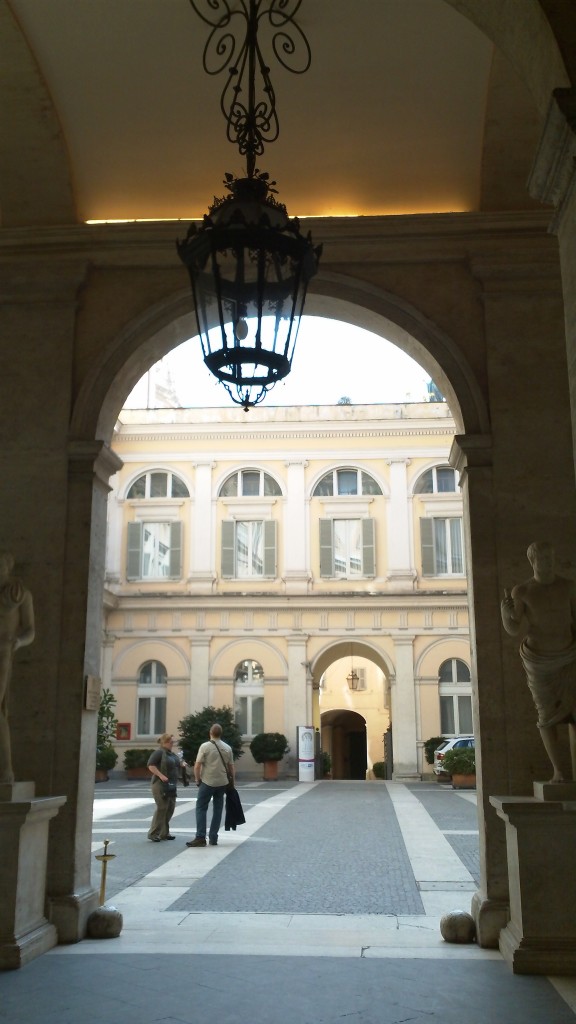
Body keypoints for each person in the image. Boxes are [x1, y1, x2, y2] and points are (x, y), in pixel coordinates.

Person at [501, 541, 576, 782]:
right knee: (546, 717)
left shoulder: (568, 587)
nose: (548, 565)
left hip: (569, 655)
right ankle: (559, 771)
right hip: (539, 661)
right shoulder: (523, 591)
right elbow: (515, 629)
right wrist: (505, 613)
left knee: (574, 715)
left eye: (551, 560)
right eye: (543, 560)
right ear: (533, 562)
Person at [0, 551, 35, 785]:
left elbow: (30, 630)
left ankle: (6, 770)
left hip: (3, 651)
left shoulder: (21, 595)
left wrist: (18, 642)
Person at [187, 722, 234, 848]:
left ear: (210, 733)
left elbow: (197, 766)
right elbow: (231, 768)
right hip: (222, 782)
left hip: (207, 781)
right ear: (221, 734)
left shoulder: (205, 746)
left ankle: (200, 837)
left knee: (201, 808)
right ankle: (213, 837)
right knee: (218, 809)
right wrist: (232, 783)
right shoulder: (227, 748)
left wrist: (197, 780)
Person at [147, 733, 180, 841]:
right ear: (165, 742)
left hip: (170, 784)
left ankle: (164, 833)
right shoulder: (159, 753)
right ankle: (153, 833)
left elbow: (175, 765)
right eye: (171, 742)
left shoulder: (170, 754)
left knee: (170, 808)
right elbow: (150, 765)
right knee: (162, 808)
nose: (172, 744)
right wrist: (161, 775)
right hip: (159, 784)